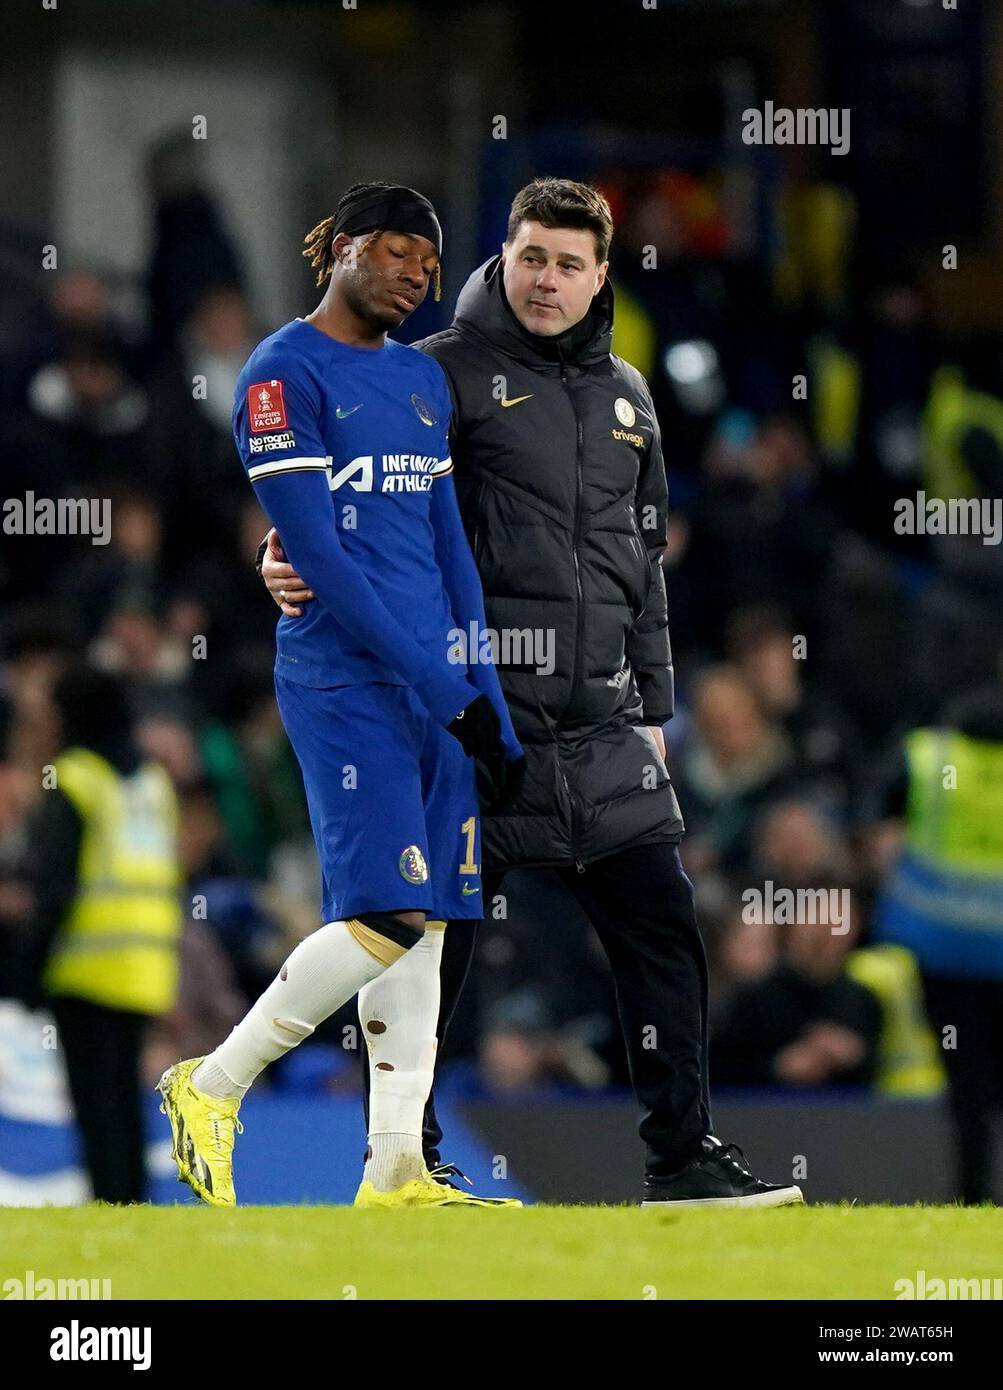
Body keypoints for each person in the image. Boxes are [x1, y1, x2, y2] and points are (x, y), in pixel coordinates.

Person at [263, 177, 802, 1206]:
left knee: (661, 926)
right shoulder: (429, 378)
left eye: (567, 264)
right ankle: (405, 1162)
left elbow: (641, 566)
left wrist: (653, 710)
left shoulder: (630, 397)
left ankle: (681, 1157)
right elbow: (330, 497)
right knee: (432, 950)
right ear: (500, 258)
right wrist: (269, 554)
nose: (546, 280)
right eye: (530, 259)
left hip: (600, 728)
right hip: (476, 720)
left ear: (601, 275)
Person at [157, 183, 524, 1209]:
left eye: (429, 262)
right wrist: (434, 681)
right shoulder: (281, 373)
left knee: (435, 915)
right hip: (347, 677)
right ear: (344, 249)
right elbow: (315, 549)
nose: (416, 273)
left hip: (435, 686)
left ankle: (396, 1164)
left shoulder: (416, 381)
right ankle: (211, 1083)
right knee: (387, 908)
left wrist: (478, 690)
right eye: (399, 252)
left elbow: (448, 545)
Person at [20, 664, 183, 1203]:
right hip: (146, 967)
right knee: (125, 1101)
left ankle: (109, 1203)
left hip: (85, 965)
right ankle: (131, 1205)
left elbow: (54, 887)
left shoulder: (75, 778)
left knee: (94, 1103)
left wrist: (28, 969)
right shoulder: (153, 781)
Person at [871, 681, 1003, 1203]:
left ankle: (973, 1197)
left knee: (968, 1088)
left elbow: (885, 844)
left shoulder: (928, 756)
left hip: (944, 951)